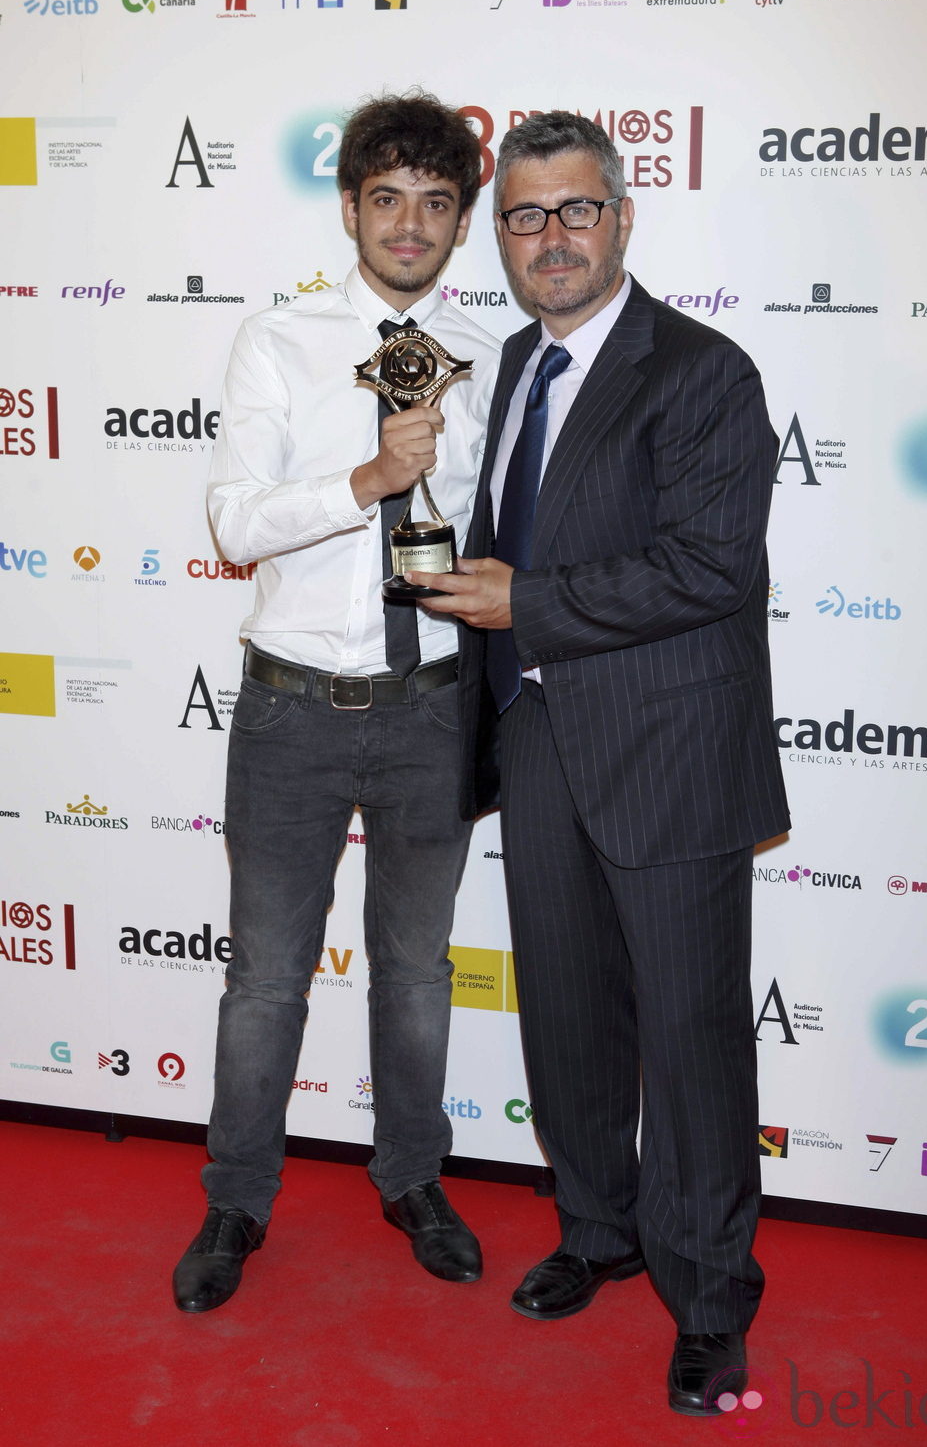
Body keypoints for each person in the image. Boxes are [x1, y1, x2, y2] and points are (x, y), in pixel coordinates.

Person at [410, 111, 790, 1415]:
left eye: (576, 209)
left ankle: (709, 1293)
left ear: (624, 217)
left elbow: (713, 565)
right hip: (541, 741)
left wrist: (532, 604)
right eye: (525, 216)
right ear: (501, 238)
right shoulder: (507, 364)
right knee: (568, 1012)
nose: (552, 237)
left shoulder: (701, 371)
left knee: (688, 1037)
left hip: (672, 748)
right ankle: (597, 1228)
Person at [171, 91, 500, 1314]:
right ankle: (237, 1198)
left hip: (430, 703)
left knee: (415, 969)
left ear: (460, 220)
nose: (408, 225)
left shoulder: (491, 347)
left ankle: (412, 1178)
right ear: (350, 206)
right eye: (386, 199)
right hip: (292, 711)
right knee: (265, 977)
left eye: (434, 202)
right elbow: (233, 522)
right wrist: (369, 477)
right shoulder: (281, 338)